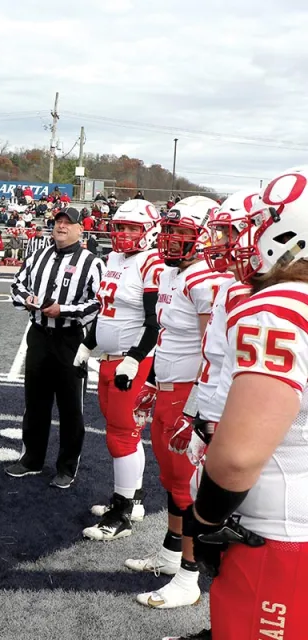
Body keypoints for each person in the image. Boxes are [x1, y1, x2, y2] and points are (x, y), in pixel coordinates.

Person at [184, 167, 308, 638]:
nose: (243, 237)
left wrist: (204, 518)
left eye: (258, 222)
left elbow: (237, 458)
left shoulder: (280, 307)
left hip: (281, 528)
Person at [161, 193, 259, 640]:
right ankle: (220, 619)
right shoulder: (230, 285)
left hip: (246, 428)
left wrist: (208, 417)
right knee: (208, 510)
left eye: (231, 232)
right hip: (208, 407)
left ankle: (195, 583)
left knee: (234, 521)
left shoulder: (266, 298)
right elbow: (211, 361)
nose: (223, 243)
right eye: (218, 232)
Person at [126, 196, 232, 610]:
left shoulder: (205, 280)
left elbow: (212, 352)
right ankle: (171, 553)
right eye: (168, 231)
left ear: (204, 235)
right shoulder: (172, 273)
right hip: (169, 389)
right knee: (171, 482)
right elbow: (168, 337)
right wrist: (152, 381)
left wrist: (197, 410)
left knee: (188, 488)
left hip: (189, 394)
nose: (171, 240)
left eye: (182, 233)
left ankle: (189, 577)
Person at [75, 199, 163, 541]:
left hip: (134, 361)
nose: (124, 234)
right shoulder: (112, 258)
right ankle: (134, 498)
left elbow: (155, 321)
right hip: (111, 358)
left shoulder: (152, 262)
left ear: (149, 232)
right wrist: (87, 342)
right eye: (121, 227)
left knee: (121, 436)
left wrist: (136, 357)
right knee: (124, 432)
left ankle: (121, 512)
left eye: (133, 228)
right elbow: (106, 312)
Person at [6, 208, 104, 488]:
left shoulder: (92, 262)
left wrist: (65, 310)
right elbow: (16, 285)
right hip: (38, 335)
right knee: (35, 401)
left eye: (67, 223)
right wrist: (28, 300)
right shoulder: (38, 256)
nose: (61, 226)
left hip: (69, 339)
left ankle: (67, 466)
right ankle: (31, 460)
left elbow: (99, 302)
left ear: (79, 230)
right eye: (58, 222)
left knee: (71, 405)